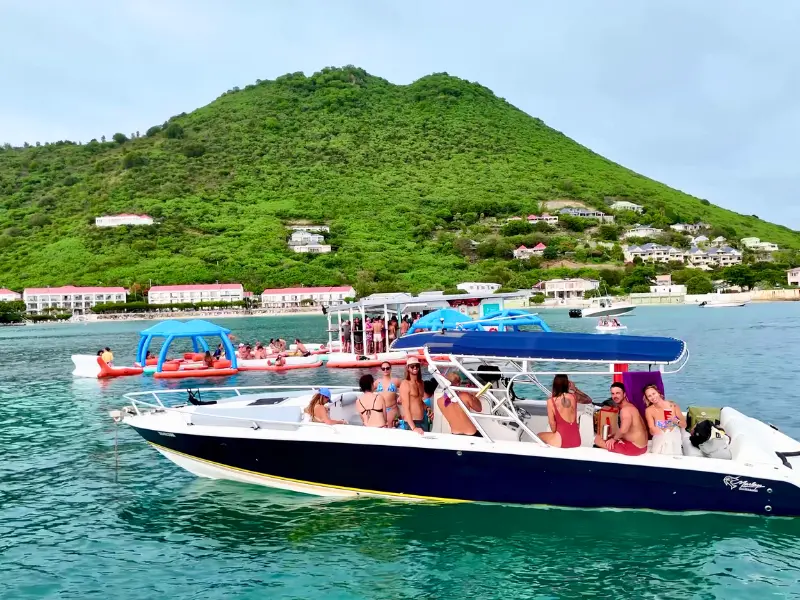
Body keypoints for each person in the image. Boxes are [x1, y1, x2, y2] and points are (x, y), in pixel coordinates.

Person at [594, 382, 648, 456]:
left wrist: (613, 439)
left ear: (624, 394)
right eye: (613, 394)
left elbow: (624, 429)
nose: (615, 396)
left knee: (598, 439)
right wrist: (614, 435)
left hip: (634, 448)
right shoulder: (630, 406)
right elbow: (627, 430)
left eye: (618, 393)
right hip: (642, 446)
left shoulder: (625, 410)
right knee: (611, 435)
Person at [537, 374, 581, 448]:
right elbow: (588, 400)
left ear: (554, 385)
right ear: (567, 384)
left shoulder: (551, 401)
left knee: (538, 436)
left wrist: (555, 432)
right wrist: (574, 388)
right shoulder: (573, 397)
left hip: (561, 441)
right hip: (576, 440)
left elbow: (552, 424)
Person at [644, 384, 686, 455]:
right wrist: (654, 430)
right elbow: (651, 430)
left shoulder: (673, 405)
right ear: (647, 399)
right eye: (649, 396)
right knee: (661, 440)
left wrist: (675, 420)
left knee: (670, 441)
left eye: (654, 393)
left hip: (673, 433)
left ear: (658, 393)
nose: (653, 397)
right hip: (660, 435)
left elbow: (684, 425)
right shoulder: (649, 410)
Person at [437, 372, 483, 436]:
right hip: (471, 433)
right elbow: (479, 408)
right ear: (458, 384)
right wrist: (474, 397)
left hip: (455, 434)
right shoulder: (465, 396)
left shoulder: (439, 401)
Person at [398, 356, 428, 433]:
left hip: (423, 420)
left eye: (417, 365)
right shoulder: (405, 384)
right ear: (407, 368)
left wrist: (427, 408)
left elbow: (419, 400)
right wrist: (414, 428)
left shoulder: (421, 382)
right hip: (411, 423)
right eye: (412, 366)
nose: (415, 367)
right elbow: (406, 408)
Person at [374, 361, 400, 427]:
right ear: (381, 370)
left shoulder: (396, 381)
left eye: (387, 368)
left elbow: (405, 388)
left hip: (393, 410)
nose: (385, 370)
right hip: (381, 410)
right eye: (383, 369)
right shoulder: (377, 382)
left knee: (392, 428)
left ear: (390, 369)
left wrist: (400, 396)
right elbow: (368, 391)